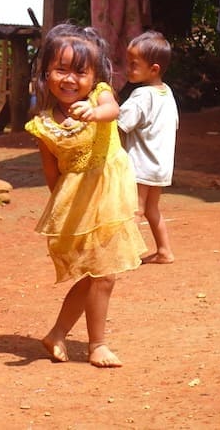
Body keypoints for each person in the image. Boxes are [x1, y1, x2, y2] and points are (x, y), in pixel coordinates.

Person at [25, 23, 146, 368]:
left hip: (111, 196)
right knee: (98, 274)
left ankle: (87, 342)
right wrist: (66, 214)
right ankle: (73, 338)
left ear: (94, 76)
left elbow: (113, 111)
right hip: (78, 206)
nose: (70, 79)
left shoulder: (100, 97)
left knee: (103, 273)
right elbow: (53, 175)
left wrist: (93, 113)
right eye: (61, 69)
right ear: (46, 72)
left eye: (80, 71)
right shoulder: (44, 125)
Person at [117, 31, 179, 264]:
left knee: (135, 209)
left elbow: (120, 124)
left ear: (153, 69)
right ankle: (164, 251)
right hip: (161, 165)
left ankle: (125, 254)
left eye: (134, 64)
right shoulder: (167, 92)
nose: (128, 68)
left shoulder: (141, 95)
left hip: (141, 165)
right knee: (151, 208)